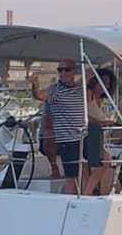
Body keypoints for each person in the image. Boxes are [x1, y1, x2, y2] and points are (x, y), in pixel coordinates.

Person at [29, 58, 85, 194]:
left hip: (84, 137)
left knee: (96, 165)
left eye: (67, 69)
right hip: (67, 139)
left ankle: (86, 194)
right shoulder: (54, 90)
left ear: (74, 71)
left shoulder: (81, 90)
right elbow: (40, 95)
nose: (63, 73)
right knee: (71, 176)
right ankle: (69, 199)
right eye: (60, 70)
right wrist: (35, 84)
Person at [82, 67, 117, 197]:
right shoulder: (89, 94)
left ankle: (87, 190)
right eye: (102, 82)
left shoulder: (101, 100)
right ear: (95, 81)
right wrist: (101, 122)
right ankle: (88, 191)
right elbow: (82, 115)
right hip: (85, 135)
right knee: (106, 159)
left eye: (107, 84)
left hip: (95, 135)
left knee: (87, 165)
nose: (105, 86)